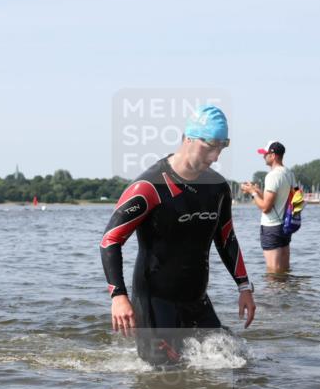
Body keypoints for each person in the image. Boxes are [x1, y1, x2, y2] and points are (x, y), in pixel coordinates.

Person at [100, 105, 255, 364]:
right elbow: (110, 240)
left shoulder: (217, 188)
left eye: (222, 147)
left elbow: (226, 238)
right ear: (188, 139)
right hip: (155, 300)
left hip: (196, 299)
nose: (215, 156)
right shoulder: (149, 187)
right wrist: (118, 296)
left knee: (237, 364)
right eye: (210, 146)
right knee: (165, 374)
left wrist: (244, 287)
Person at [241, 141, 295, 273]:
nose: (263, 157)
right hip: (286, 226)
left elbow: (266, 207)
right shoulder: (289, 173)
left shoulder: (272, 176)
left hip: (271, 228)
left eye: (265, 154)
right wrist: (257, 190)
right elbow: (282, 199)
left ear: (273, 155)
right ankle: (286, 294)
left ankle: (272, 294)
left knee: (273, 272)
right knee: (284, 270)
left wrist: (252, 193)